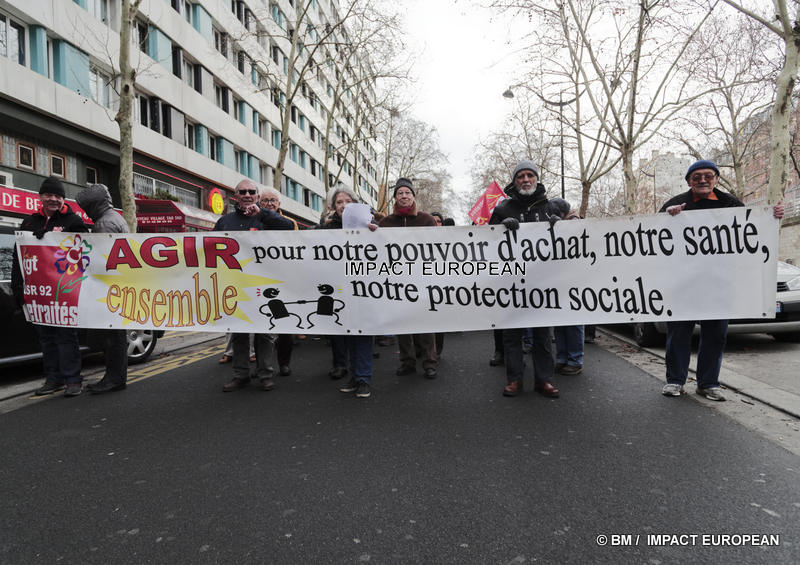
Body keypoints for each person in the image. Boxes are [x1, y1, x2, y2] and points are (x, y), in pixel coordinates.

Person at [659, 160, 784, 401]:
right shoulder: (675, 204)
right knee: (678, 335)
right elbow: (654, 233)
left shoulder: (731, 203)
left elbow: (752, 229)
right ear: (688, 182)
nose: (703, 180)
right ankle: (675, 381)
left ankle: (708, 383)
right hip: (683, 285)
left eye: (708, 176)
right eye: (697, 177)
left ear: (716, 179)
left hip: (719, 285)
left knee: (715, 335)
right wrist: (668, 217)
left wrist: (773, 216)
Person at [488, 161, 560, 398]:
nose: (526, 179)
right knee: (512, 336)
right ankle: (514, 380)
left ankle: (544, 380)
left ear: (537, 179)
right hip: (511, 285)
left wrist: (560, 227)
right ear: (515, 181)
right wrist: (499, 228)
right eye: (521, 176)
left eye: (530, 175)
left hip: (542, 284)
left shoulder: (550, 208)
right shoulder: (502, 210)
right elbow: (488, 244)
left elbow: (565, 244)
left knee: (541, 336)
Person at [11, 176, 88, 397]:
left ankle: (73, 380)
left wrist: (61, 237)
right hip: (39, 295)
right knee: (46, 338)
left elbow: (87, 246)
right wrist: (18, 287)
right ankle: (53, 379)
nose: (53, 199)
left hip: (63, 292)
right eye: (49, 195)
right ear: (41, 197)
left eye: (58, 196)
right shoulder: (28, 223)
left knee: (66, 337)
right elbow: (18, 258)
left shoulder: (73, 221)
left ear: (63, 199)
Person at [214, 179, 294, 392]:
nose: (247, 195)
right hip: (236, 286)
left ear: (257, 197)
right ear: (235, 197)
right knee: (239, 332)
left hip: (264, 285)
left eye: (252, 192)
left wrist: (261, 214)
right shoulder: (224, 222)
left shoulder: (267, 218)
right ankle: (241, 375)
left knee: (265, 332)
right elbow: (210, 248)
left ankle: (265, 374)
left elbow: (288, 227)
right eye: (243, 192)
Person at [378, 178, 439, 379]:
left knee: (426, 323)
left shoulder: (427, 220)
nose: (404, 196)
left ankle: (430, 362)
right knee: (402, 323)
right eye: (400, 193)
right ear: (395, 198)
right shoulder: (385, 223)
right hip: (397, 282)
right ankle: (407, 361)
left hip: (422, 280)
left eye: (407, 193)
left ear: (413, 196)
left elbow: (439, 247)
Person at [319, 187, 376, 398]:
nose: (343, 205)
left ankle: (363, 379)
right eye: (339, 202)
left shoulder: (370, 224)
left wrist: (374, 232)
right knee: (347, 335)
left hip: (363, 289)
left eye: (347, 201)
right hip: (339, 290)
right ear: (333, 208)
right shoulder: (325, 229)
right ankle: (354, 375)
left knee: (362, 333)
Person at [75, 184, 131, 394]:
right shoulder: (116, 217)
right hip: (119, 285)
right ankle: (115, 377)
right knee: (116, 335)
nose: (85, 211)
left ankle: (114, 378)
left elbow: (101, 261)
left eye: (86, 206)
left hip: (109, 288)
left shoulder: (103, 224)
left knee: (112, 337)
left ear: (94, 205)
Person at [260, 188, 298, 376]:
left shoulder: (289, 223)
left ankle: (284, 363)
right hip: (258, 279)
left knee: (284, 324)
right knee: (260, 325)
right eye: (265, 200)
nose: (269, 203)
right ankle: (263, 366)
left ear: (279, 204)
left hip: (284, 280)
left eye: (273, 200)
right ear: (260, 202)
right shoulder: (254, 221)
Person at [548, 198, 585, 376]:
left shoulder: (575, 224)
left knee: (573, 323)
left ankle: (575, 360)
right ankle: (563, 358)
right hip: (558, 282)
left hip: (574, 283)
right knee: (560, 323)